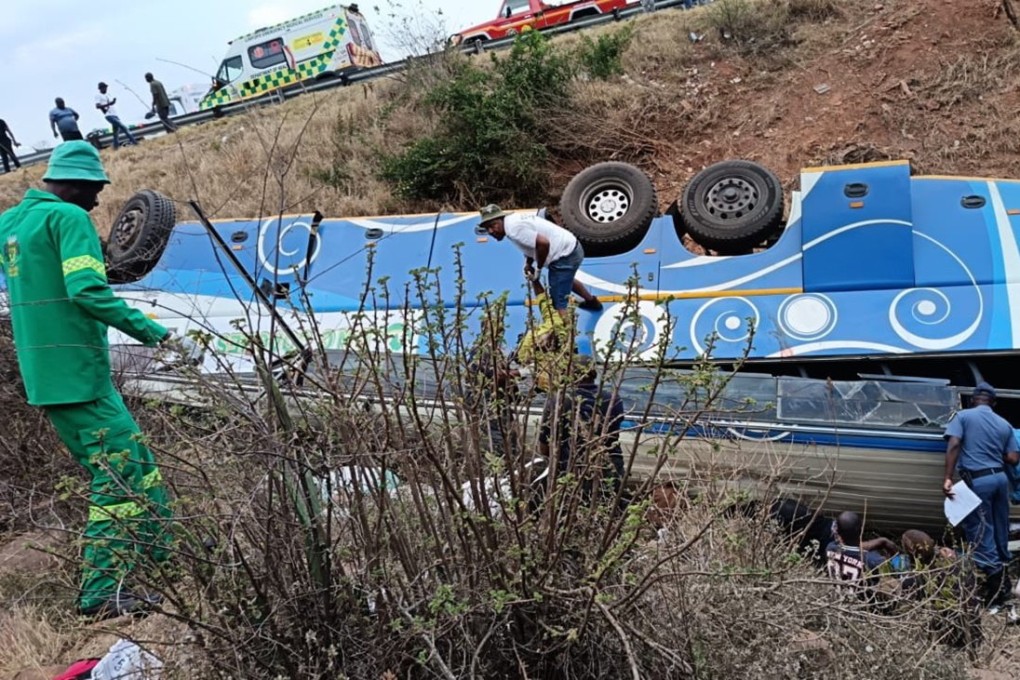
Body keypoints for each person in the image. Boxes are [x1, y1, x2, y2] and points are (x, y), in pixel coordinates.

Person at [0, 141, 202, 620]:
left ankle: (165, 555)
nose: (97, 204)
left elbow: (45, 276)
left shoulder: (11, 222)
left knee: (137, 457)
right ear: (77, 185)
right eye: (94, 192)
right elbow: (88, 290)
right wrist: (155, 333)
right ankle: (101, 592)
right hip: (78, 375)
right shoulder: (69, 219)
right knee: (116, 476)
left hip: (49, 373)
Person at [943, 382, 1019, 612]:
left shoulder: (963, 416)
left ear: (973, 400)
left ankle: (996, 594)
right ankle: (1003, 570)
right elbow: (1013, 458)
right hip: (999, 480)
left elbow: (954, 443)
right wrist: (992, 453)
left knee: (980, 529)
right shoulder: (1004, 424)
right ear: (993, 403)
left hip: (979, 481)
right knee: (998, 527)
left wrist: (947, 477)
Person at [477, 205, 602, 317]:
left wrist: (538, 268)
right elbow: (531, 243)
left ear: (501, 219)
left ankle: (566, 337)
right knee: (565, 279)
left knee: (558, 304)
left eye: (493, 225)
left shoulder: (514, 230)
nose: (491, 231)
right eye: (487, 228)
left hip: (565, 255)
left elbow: (543, 243)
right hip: (571, 247)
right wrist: (528, 263)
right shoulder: (511, 222)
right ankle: (592, 302)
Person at [538, 355, 626, 499]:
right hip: (608, 469)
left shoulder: (558, 401)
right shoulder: (612, 399)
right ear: (594, 373)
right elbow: (613, 435)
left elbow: (545, 446)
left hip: (570, 471)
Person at [825, 510, 898, 602]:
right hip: (862, 606)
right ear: (861, 530)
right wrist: (897, 554)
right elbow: (899, 571)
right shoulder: (874, 560)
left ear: (838, 532)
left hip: (837, 600)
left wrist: (880, 541)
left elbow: (852, 548)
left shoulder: (830, 548)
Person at [95, 82, 138, 149]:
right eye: (104, 87)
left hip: (115, 114)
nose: (106, 89)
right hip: (108, 115)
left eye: (106, 87)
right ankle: (135, 142)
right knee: (124, 127)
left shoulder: (108, 94)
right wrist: (109, 104)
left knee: (116, 133)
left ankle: (116, 148)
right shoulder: (98, 96)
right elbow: (97, 106)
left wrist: (113, 102)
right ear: (100, 88)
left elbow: (111, 104)